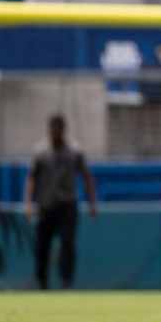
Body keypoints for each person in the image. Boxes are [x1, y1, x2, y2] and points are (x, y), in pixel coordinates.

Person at [24, 114, 98, 290]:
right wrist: (28, 203)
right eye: (52, 129)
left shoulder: (74, 151)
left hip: (67, 204)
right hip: (46, 204)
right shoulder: (40, 152)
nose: (54, 133)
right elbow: (32, 178)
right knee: (42, 245)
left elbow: (87, 177)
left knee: (67, 244)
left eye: (57, 130)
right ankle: (42, 281)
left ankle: (66, 281)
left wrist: (92, 203)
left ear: (63, 130)